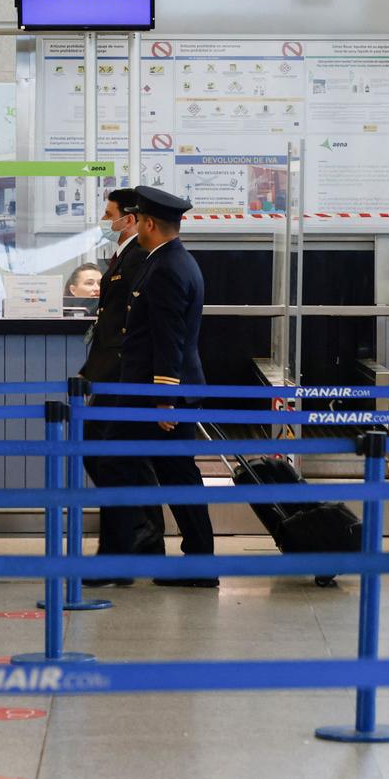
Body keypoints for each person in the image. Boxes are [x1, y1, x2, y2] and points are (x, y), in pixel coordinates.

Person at [86, 186, 216, 586]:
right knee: (173, 472)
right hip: (150, 393)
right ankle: (194, 564)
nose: (131, 225)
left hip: (153, 396)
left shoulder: (168, 269)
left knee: (120, 464)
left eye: (138, 219)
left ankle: (120, 563)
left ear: (148, 223)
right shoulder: (167, 261)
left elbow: (169, 338)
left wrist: (163, 399)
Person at [79, 192, 167, 586]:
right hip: (109, 372)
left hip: (122, 376)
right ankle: (143, 538)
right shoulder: (123, 255)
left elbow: (129, 329)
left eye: (110, 214)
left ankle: (133, 541)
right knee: (116, 459)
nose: (104, 219)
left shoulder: (138, 260)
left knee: (114, 459)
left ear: (132, 219)